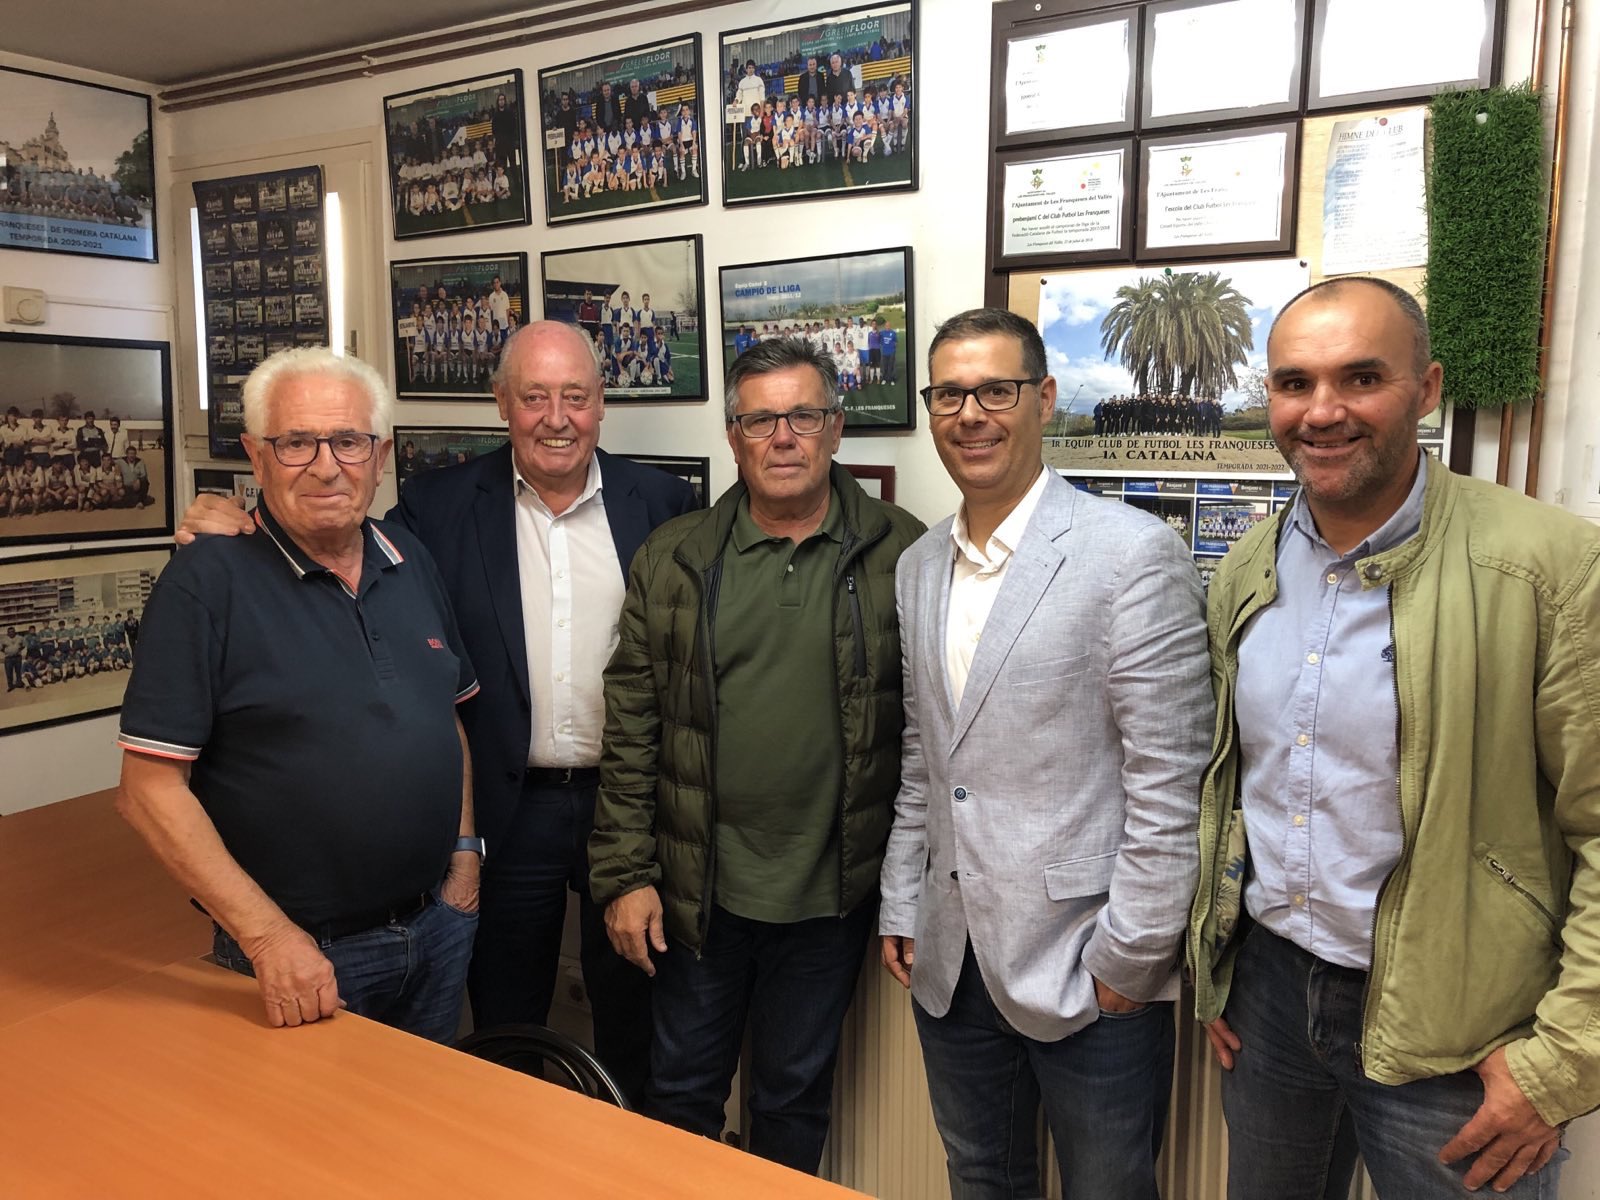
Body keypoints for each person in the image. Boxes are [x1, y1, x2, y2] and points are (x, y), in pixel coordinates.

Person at [176, 322, 697, 1106]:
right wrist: (232, 518)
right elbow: (332, 538)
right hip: (506, 806)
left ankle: (628, 1152)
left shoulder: (660, 503)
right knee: (505, 1011)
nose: (556, 418)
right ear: (501, 404)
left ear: (601, 403)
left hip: (627, 806)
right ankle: (504, 1146)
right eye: (535, 397)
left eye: (575, 397)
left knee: (634, 1008)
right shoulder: (436, 508)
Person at [1189, 276, 1600, 1198]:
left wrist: (1565, 1060)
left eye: (1362, 377)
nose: (1322, 411)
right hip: (1270, 1002)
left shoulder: (1549, 567)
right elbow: (1228, 790)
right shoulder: (1248, 567)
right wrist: (1215, 962)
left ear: (1428, 389)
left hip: (1462, 1031)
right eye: (1295, 383)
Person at [879, 308, 1211, 1198]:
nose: (970, 415)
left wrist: (1131, 958)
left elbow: (1169, 779)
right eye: (949, 394)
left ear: (1045, 399)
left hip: (1087, 961)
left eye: (996, 390)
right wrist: (903, 901)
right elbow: (925, 753)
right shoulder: (919, 565)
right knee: (980, 1178)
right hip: (952, 961)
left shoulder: (1131, 554)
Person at [589, 338, 925, 1172]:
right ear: (733, 436)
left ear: (835, 428)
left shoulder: (904, 553)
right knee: (680, 1097)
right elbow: (631, 726)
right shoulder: (676, 557)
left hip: (829, 895)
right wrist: (625, 875)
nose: (783, 437)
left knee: (791, 1102)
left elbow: (930, 733)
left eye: (802, 416)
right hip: (698, 894)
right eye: (760, 420)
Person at [116, 348, 482, 1043]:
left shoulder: (410, 558)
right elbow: (147, 792)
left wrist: (465, 857)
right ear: (257, 458)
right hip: (300, 954)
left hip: (436, 929)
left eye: (348, 441)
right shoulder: (206, 583)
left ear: (381, 457)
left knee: (426, 1115)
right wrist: (267, 939)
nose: (325, 466)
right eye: (296, 443)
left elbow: (446, 717)